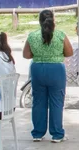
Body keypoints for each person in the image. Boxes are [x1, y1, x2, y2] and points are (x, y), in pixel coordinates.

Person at [23, 10, 73, 142]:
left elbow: (26, 55)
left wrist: (39, 55)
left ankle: (38, 133)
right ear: (53, 20)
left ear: (39, 21)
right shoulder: (60, 35)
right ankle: (57, 134)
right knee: (56, 102)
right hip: (56, 69)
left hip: (38, 69)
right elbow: (69, 53)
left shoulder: (32, 36)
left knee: (38, 101)